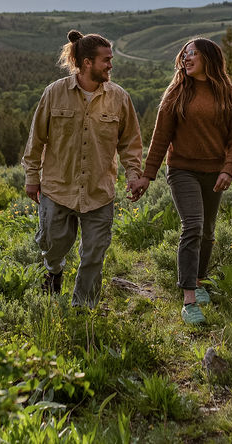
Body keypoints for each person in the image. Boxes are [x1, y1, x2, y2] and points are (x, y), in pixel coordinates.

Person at [127, 38, 232, 325]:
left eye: (193, 54)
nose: (186, 58)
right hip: (181, 170)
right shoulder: (177, 92)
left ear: (209, 58)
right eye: (184, 54)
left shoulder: (230, 94)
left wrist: (228, 169)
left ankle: (200, 278)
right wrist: (147, 175)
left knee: (207, 230)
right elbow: (160, 138)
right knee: (192, 225)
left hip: (214, 171)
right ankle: (189, 298)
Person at [23, 30, 144, 308]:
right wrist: (32, 177)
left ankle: (83, 309)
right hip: (58, 188)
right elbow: (36, 138)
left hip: (100, 192)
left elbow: (130, 143)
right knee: (52, 245)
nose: (111, 65)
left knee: (94, 255)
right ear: (87, 62)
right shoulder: (54, 93)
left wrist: (134, 175)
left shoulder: (119, 98)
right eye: (106, 60)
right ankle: (53, 271)